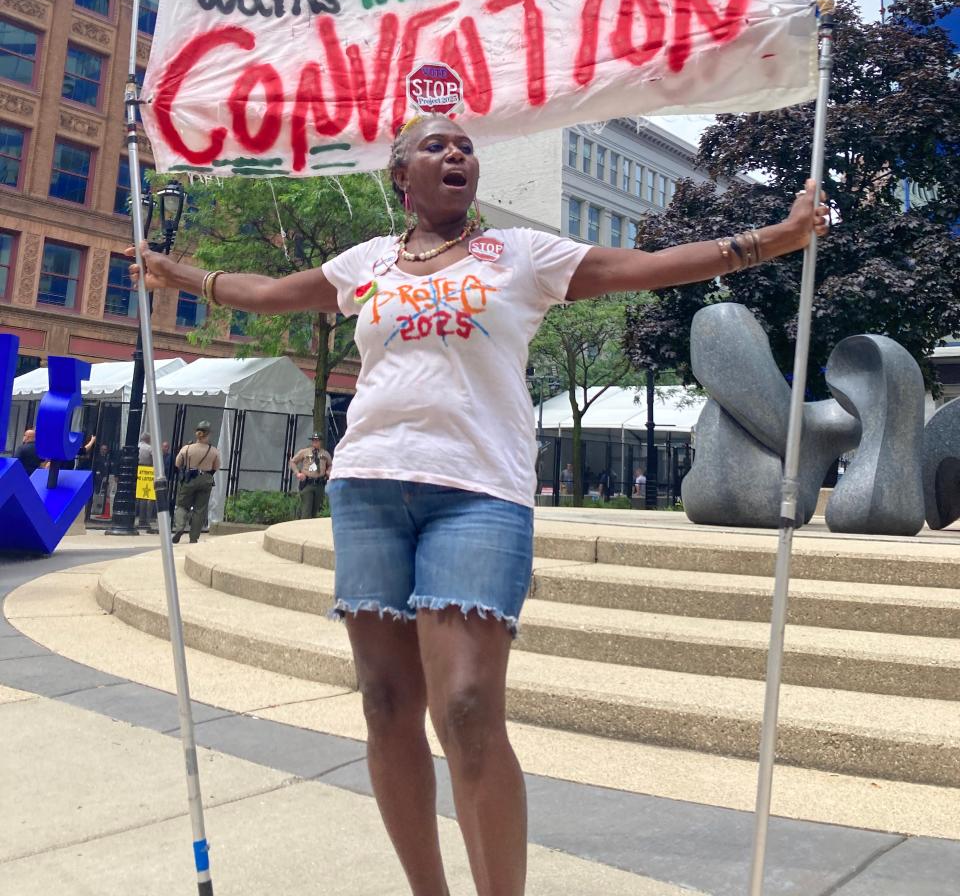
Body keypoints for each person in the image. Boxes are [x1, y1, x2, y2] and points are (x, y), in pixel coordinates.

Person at [130, 113, 828, 896]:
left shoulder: (524, 256)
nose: (456, 152)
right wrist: (173, 272)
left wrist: (776, 237)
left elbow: (648, 265)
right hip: (369, 488)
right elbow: (265, 293)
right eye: (436, 145)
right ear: (401, 175)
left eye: (465, 147)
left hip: (480, 496)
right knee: (388, 703)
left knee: (464, 705)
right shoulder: (368, 262)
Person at [172, 421, 221, 543]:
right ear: (208, 435)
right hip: (206, 479)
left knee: (182, 505)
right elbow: (216, 466)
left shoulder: (187, 448)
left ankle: (179, 527)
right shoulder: (213, 450)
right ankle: (194, 537)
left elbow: (177, 463)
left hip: (190, 478)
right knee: (200, 509)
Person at [289, 433, 332, 519]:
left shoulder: (325, 454)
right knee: (306, 510)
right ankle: (303, 529)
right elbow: (292, 462)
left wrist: (328, 471)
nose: (315, 442)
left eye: (317, 440)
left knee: (315, 511)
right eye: (313, 440)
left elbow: (330, 465)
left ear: (320, 442)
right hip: (307, 484)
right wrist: (298, 473)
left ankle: (311, 530)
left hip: (320, 484)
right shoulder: (304, 452)